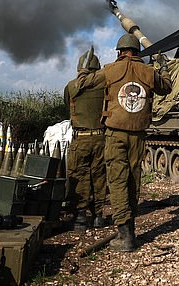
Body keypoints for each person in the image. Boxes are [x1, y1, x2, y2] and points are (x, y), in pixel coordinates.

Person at [77, 33, 172, 251]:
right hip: (138, 134)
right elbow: (166, 87)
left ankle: (125, 236)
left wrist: (84, 65)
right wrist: (163, 66)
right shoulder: (149, 72)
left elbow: (83, 83)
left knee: (117, 181)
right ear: (137, 52)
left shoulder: (110, 70)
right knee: (132, 179)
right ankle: (130, 230)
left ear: (120, 52)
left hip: (115, 133)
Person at [64, 50, 108, 231]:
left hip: (80, 139)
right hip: (101, 137)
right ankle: (98, 216)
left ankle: (80, 218)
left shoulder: (71, 86)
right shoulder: (104, 85)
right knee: (99, 175)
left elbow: (68, 105)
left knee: (78, 175)